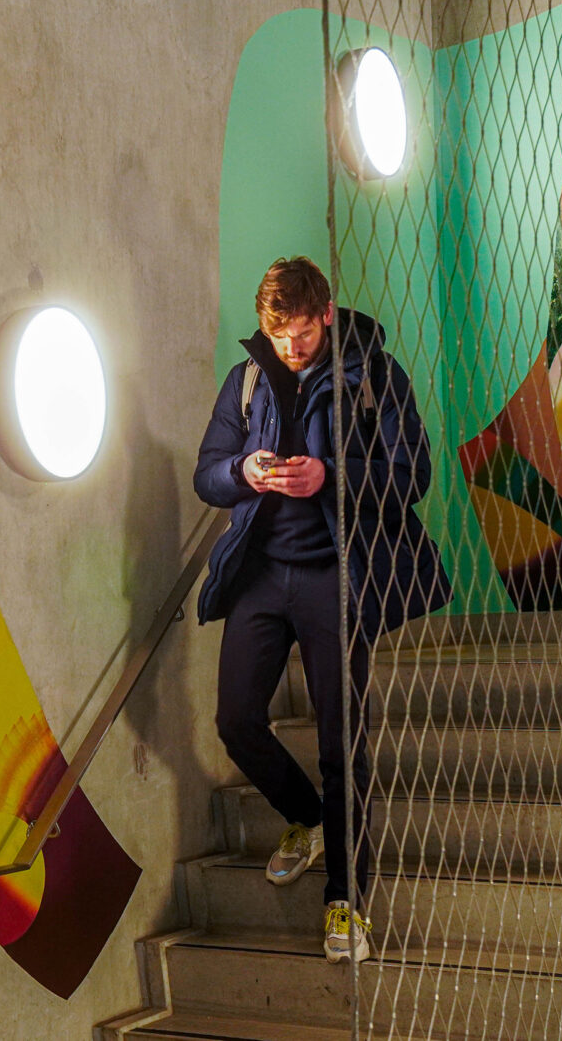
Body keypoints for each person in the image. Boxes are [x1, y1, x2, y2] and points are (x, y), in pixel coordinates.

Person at [193, 256, 450, 964]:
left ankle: (347, 900)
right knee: (236, 720)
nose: (292, 349)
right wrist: (240, 471)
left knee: (343, 744)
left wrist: (331, 476)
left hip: (338, 577)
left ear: (327, 314)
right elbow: (206, 470)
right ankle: (305, 818)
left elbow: (414, 472)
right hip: (260, 575)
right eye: (280, 338)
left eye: (303, 333)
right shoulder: (247, 379)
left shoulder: (375, 374)